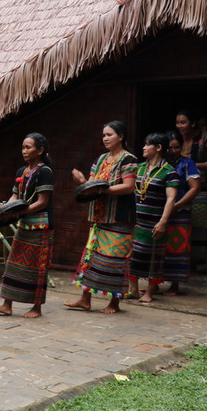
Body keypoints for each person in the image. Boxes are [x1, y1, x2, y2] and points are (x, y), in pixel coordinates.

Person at [65, 120, 138, 314]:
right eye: (103, 135)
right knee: (91, 258)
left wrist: (103, 190)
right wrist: (82, 181)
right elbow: (91, 185)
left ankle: (115, 302)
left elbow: (129, 186)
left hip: (119, 218)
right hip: (98, 217)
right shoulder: (100, 159)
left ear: (121, 136)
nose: (105, 138)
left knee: (116, 259)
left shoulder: (128, 159)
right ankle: (85, 299)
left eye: (109, 135)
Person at [0, 133, 54, 318]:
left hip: (40, 226)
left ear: (40, 150)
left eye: (28, 147)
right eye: (23, 147)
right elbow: (15, 197)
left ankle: (37, 307)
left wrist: (15, 213)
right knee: (14, 263)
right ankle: (6, 304)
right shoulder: (21, 172)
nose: (24, 151)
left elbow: (42, 202)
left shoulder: (45, 172)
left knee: (37, 266)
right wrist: (3, 208)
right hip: (24, 225)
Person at [128, 133, 179, 303]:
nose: (143, 147)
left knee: (153, 257)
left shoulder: (169, 172)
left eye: (147, 144)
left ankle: (149, 292)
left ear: (158, 148)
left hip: (155, 220)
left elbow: (171, 198)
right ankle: (133, 289)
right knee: (133, 254)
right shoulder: (139, 168)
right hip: (136, 220)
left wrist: (163, 221)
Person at [174, 110, 207, 268]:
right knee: (186, 222)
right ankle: (187, 261)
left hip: (204, 187)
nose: (179, 126)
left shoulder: (206, 137)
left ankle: (203, 262)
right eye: (178, 122)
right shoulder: (178, 139)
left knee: (203, 224)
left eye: (183, 122)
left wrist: (191, 165)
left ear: (193, 123)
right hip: (183, 187)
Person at [161, 130, 201, 295]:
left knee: (176, 247)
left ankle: (174, 285)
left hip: (180, 211)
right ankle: (154, 283)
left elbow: (195, 188)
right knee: (158, 247)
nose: (173, 151)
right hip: (160, 210)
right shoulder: (160, 163)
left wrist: (177, 205)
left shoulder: (187, 163)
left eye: (177, 147)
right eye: (170, 148)